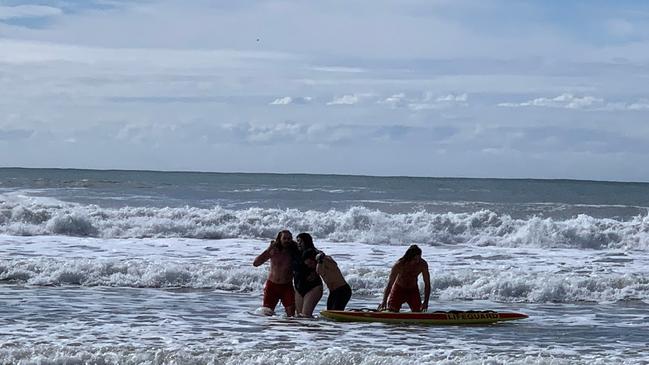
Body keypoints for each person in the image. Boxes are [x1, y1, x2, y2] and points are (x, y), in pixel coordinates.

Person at [253, 230, 297, 316]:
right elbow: (256, 263)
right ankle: (272, 329)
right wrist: (268, 250)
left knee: (291, 315)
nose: (287, 240)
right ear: (279, 239)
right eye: (284, 238)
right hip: (272, 286)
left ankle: (290, 329)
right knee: (267, 313)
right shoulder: (273, 250)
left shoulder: (294, 251)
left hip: (287, 286)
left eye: (289, 238)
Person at [378, 244, 431, 312]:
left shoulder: (422, 265)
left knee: (417, 311)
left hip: (413, 290)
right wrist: (384, 301)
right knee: (392, 310)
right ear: (409, 257)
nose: (417, 261)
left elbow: (427, 284)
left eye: (419, 258)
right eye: (415, 259)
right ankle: (382, 308)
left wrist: (426, 302)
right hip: (399, 289)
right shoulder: (399, 265)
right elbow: (390, 283)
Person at [293, 233, 323, 317]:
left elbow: (322, 257)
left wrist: (316, 272)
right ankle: (306, 329)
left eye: (301, 241)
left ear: (307, 242)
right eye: (297, 241)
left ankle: (313, 329)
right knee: (299, 316)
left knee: (306, 315)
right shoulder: (295, 252)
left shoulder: (313, 252)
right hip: (298, 287)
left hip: (312, 287)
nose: (299, 243)